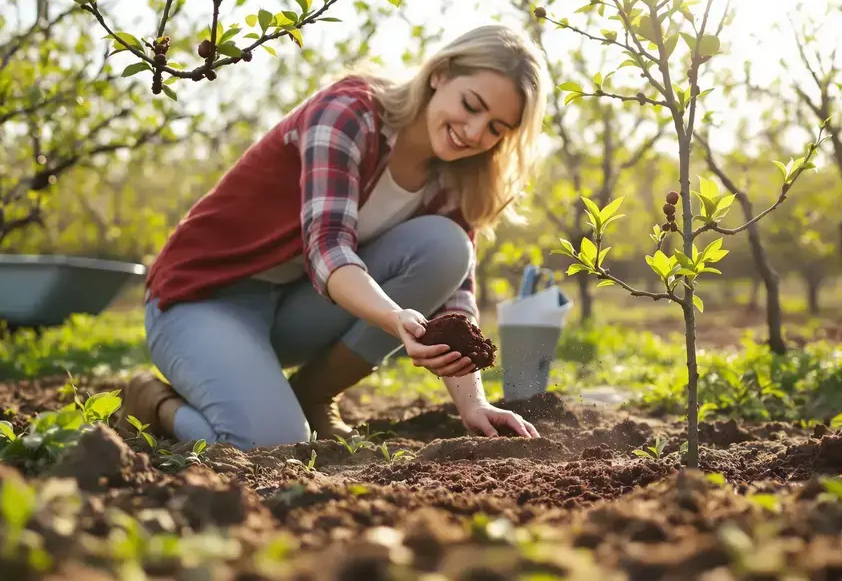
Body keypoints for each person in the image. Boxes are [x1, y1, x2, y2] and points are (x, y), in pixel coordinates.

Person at [121, 24, 547, 450]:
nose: (474, 133)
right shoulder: (350, 112)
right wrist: (392, 317)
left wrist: (473, 404)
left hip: (293, 309)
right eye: (471, 105)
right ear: (440, 74)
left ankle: (313, 395)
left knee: (447, 247)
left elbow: (455, 298)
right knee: (275, 442)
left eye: (496, 128)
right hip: (202, 297)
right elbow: (328, 248)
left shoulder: (454, 176)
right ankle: (154, 403)